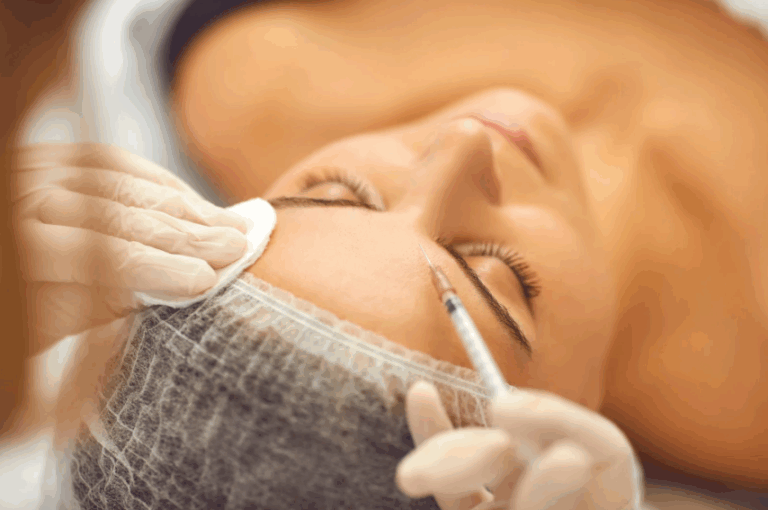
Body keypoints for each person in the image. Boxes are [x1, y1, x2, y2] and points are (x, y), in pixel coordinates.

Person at [170, 0, 768, 491]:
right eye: (496, 275)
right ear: (567, 416)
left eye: (339, 193)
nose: (462, 143)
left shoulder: (261, 80)